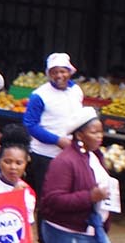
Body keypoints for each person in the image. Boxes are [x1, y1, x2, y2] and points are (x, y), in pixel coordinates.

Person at [38, 112, 124, 243]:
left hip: (93, 229)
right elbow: (52, 200)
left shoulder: (95, 155)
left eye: (101, 132)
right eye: (94, 132)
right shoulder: (65, 162)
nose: (99, 136)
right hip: (67, 233)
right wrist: (89, 197)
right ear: (79, 135)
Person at [22, 53, 85, 192]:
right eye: (54, 72)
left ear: (70, 72)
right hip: (46, 155)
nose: (59, 76)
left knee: (68, 192)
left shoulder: (76, 91)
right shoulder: (39, 95)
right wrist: (57, 140)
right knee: (48, 194)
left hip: (71, 153)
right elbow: (30, 125)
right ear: (49, 74)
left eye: (62, 71)